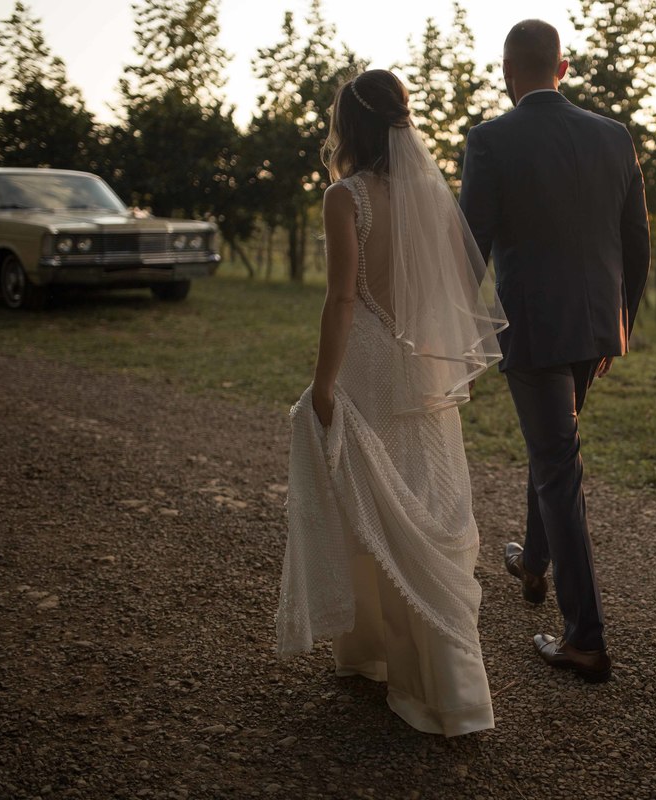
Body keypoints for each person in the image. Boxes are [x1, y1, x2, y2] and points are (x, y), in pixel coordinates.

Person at [274, 69, 507, 737]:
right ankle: (430, 680)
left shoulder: (344, 196)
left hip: (371, 364)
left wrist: (323, 384)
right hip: (422, 362)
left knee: (372, 502)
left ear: (349, 126)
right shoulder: (432, 193)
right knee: (425, 503)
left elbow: (342, 297)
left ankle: (380, 657)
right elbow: (449, 285)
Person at [459, 19, 651, 683]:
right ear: (562, 68)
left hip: (536, 330)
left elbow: (470, 248)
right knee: (554, 450)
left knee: (556, 466)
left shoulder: (490, 140)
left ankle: (585, 640)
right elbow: (637, 243)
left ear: (507, 70)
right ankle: (534, 563)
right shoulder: (614, 136)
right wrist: (617, 326)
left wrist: (451, 332)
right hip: (595, 329)